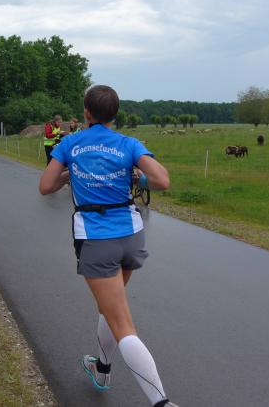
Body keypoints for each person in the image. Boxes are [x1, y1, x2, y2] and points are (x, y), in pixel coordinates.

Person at [39, 85, 178, 407]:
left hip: (96, 238)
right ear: (115, 115)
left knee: (123, 325)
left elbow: (45, 186)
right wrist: (138, 179)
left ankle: (161, 402)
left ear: (86, 113)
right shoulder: (129, 143)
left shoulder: (70, 143)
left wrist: (69, 176)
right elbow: (162, 180)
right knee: (109, 308)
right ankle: (101, 369)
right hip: (131, 236)